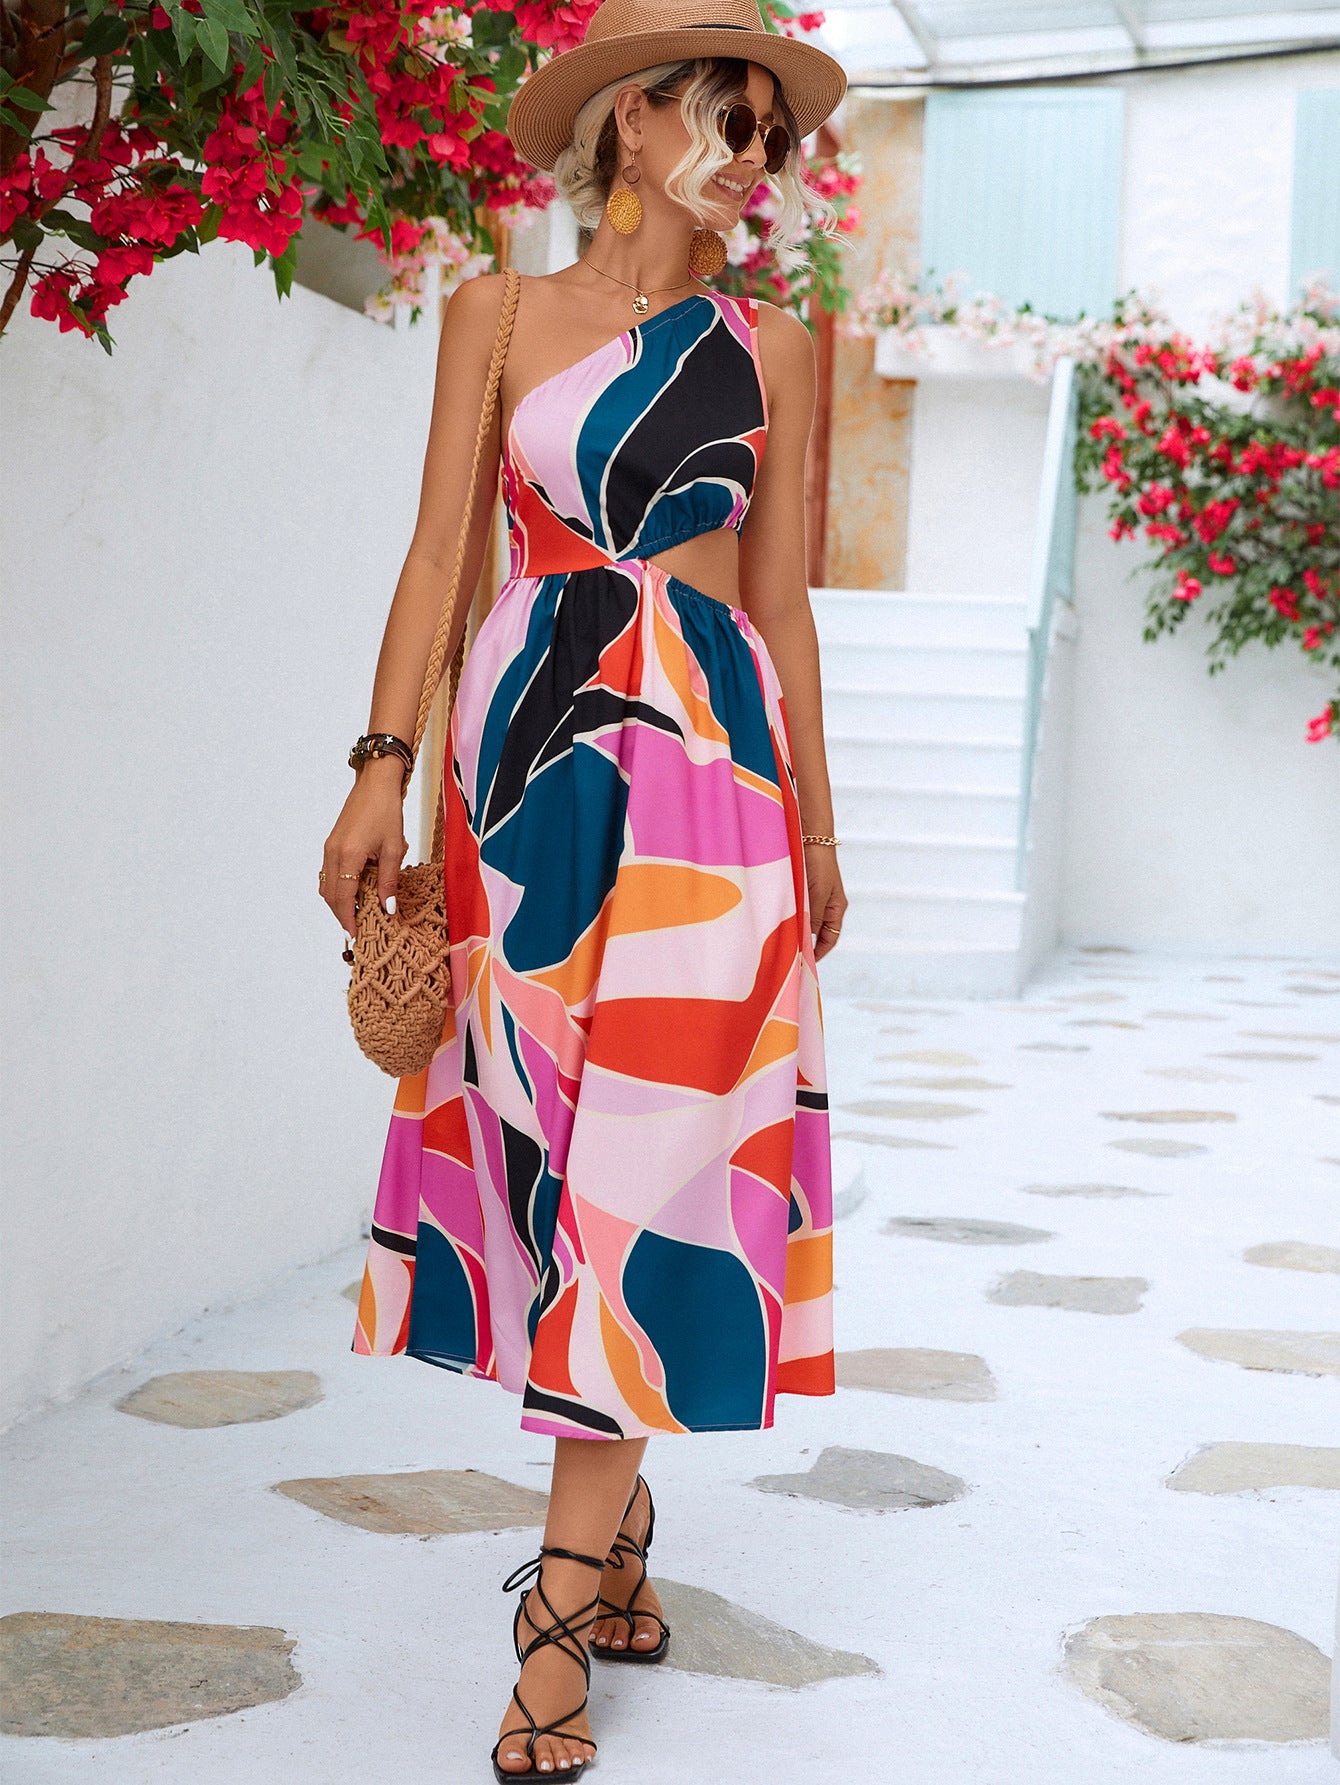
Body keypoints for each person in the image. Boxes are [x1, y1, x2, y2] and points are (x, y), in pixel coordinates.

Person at [321, 0, 848, 1773]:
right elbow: (436, 557)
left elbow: (781, 607)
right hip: (530, 768)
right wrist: (378, 769)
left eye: (770, 130)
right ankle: (616, 1533)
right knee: (545, 1144)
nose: (752, 153)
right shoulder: (496, 315)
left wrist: (821, 830)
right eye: (725, 115)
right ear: (631, 124)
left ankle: (553, 1616)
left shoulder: (774, 347)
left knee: (654, 1157)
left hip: (710, 782)